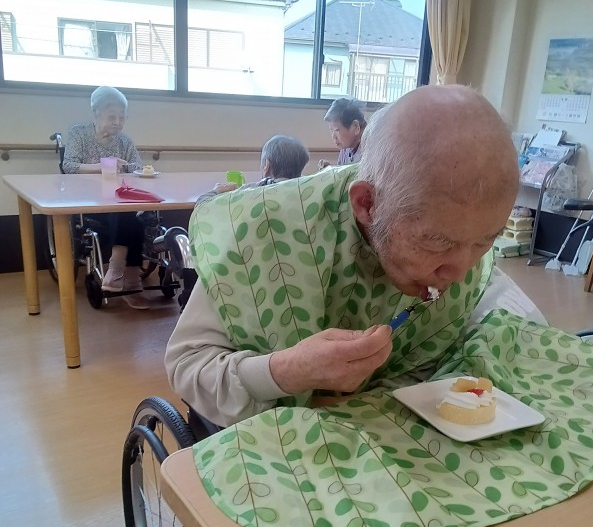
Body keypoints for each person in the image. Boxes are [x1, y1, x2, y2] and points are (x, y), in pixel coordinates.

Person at [165, 84, 533, 427]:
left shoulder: (466, 240)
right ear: (367, 204)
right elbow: (187, 364)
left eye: (487, 240)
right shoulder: (265, 230)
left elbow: (518, 329)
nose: (460, 272)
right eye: (437, 243)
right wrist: (289, 370)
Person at [62, 86, 149, 309]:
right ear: (96, 112)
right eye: (112, 117)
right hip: (88, 200)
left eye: (122, 117)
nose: (118, 122)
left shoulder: (124, 141)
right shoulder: (79, 134)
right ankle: (126, 277)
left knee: (133, 220)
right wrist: (102, 166)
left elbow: (137, 167)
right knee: (130, 219)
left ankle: (120, 274)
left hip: (119, 201)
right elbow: (68, 165)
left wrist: (129, 168)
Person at [318, 96, 367, 169]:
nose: (333, 137)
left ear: (356, 127)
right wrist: (330, 169)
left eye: (337, 130)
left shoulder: (371, 151)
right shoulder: (346, 146)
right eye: (331, 130)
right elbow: (342, 171)